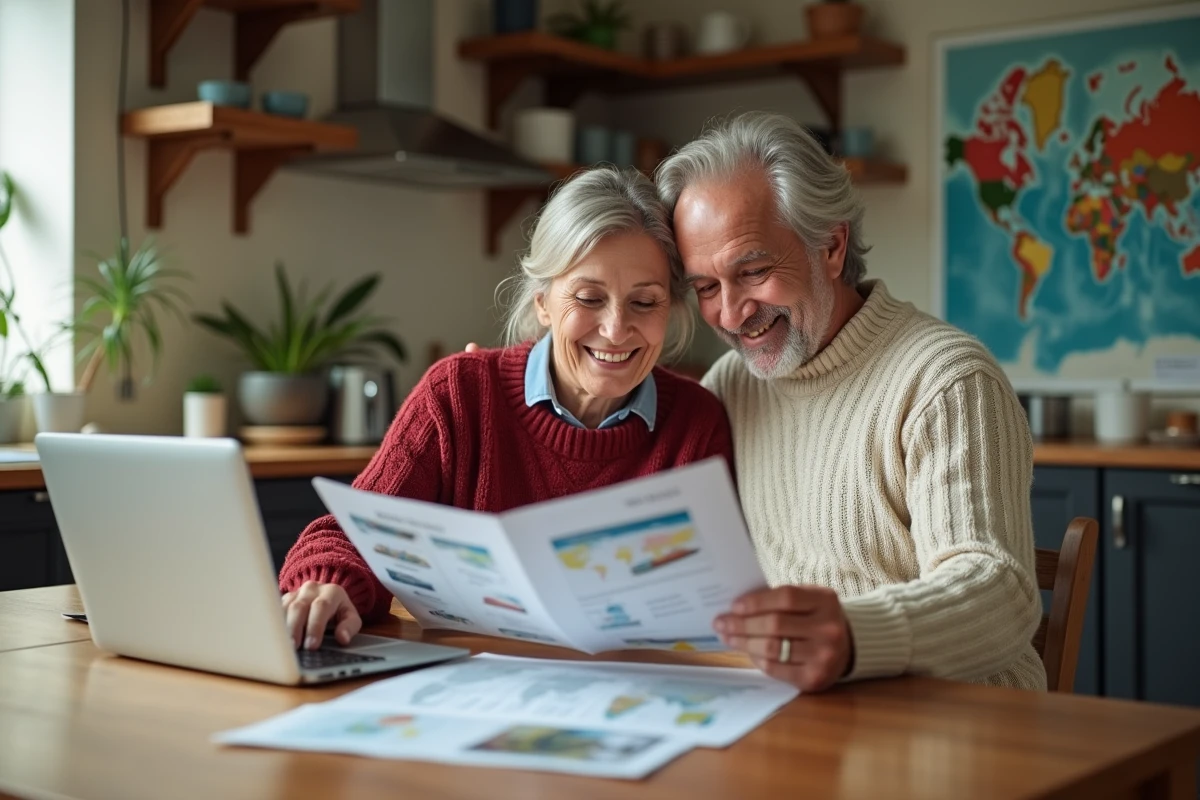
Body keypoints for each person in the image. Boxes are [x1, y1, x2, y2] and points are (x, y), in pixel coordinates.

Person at [655, 111, 1045, 693]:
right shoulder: (729, 386)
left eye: (755, 270)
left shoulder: (944, 380)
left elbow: (1000, 591)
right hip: (802, 721)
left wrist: (857, 637)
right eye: (707, 288)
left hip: (963, 726)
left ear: (831, 246)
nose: (732, 314)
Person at [278, 167, 734, 650]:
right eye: (588, 298)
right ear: (543, 301)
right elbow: (351, 533)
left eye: (644, 302)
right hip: (473, 682)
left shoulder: (695, 425)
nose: (616, 329)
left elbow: (720, 594)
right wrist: (329, 584)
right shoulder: (459, 393)